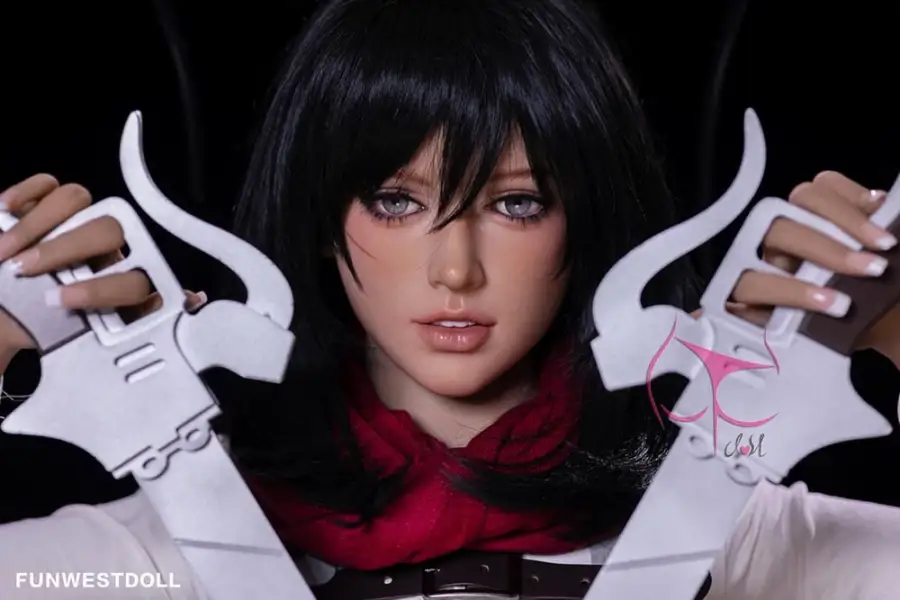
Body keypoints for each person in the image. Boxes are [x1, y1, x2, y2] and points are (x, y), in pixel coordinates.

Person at [1, 0, 899, 598]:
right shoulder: (159, 549)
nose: (456, 271)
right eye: (395, 202)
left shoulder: (748, 538)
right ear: (322, 219)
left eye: (518, 204)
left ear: (584, 217)